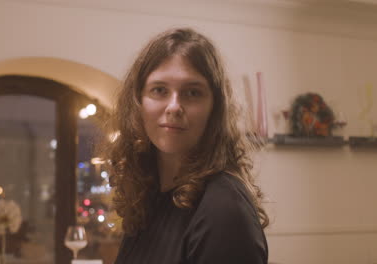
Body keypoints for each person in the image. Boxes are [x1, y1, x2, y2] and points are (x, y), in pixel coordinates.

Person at [102, 27, 269, 264]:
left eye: (192, 92)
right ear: (138, 102)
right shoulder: (149, 197)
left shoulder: (223, 209)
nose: (174, 106)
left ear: (214, 109)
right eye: (159, 90)